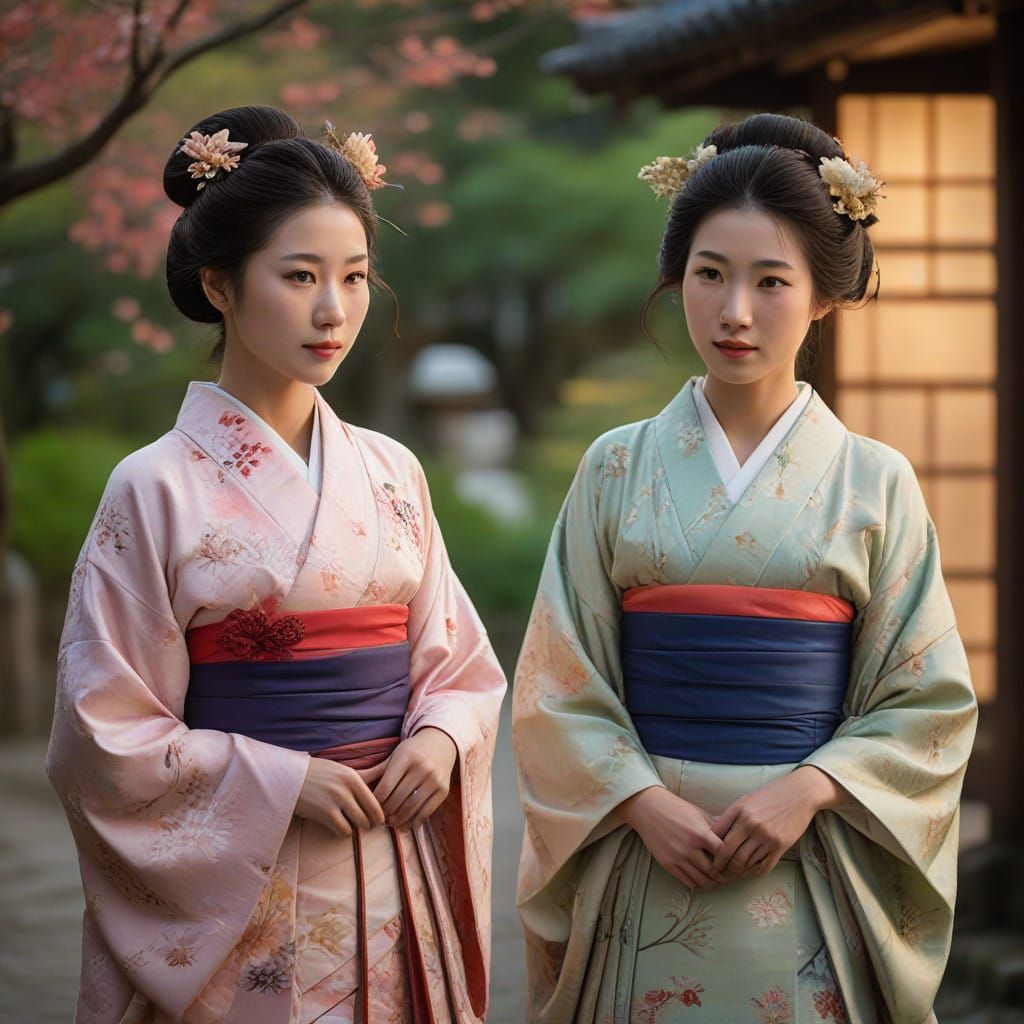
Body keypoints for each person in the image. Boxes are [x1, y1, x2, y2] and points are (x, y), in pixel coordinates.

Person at [512, 113, 977, 1023]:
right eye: (710, 274)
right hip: (646, 852)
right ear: (676, 278)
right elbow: (556, 681)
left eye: (771, 281)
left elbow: (928, 699)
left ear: (824, 297)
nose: (735, 312)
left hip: (806, 856)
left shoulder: (874, 480)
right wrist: (640, 803)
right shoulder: (615, 466)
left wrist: (808, 790)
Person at [46, 104, 506, 1024]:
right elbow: (105, 732)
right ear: (219, 286)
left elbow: (456, 663)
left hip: (392, 865)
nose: (333, 310)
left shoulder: (392, 470)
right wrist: (281, 780)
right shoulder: (154, 486)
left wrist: (441, 738)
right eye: (299, 276)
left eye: (354, 277)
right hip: (246, 892)